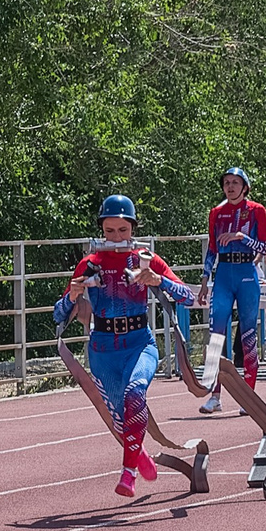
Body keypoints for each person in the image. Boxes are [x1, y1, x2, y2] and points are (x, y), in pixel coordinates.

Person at [56, 195, 204, 498]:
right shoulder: (89, 263)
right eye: (109, 231)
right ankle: (139, 455)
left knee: (135, 393)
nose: (116, 238)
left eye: (123, 230)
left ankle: (128, 472)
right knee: (122, 419)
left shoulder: (145, 258)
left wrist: (158, 280)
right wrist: (72, 296)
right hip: (102, 350)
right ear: (101, 230)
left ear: (133, 228)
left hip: (140, 343)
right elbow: (58, 316)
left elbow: (189, 298)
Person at [199, 166, 266, 415]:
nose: (230, 186)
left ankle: (248, 395)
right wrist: (204, 279)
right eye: (227, 182)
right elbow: (211, 249)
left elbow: (265, 246)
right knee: (215, 334)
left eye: (235, 182)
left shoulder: (256, 211)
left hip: (246, 275)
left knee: (248, 334)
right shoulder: (216, 213)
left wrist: (241, 236)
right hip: (223, 274)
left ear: (245, 186)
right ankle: (214, 394)